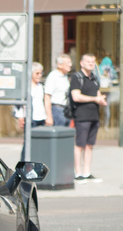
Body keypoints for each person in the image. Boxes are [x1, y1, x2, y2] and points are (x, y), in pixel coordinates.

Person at [71, 53, 107, 181]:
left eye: (93, 62)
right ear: (81, 63)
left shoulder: (94, 78)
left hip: (94, 116)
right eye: (88, 61)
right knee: (80, 144)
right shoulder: (77, 77)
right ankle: (78, 173)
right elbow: (76, 96)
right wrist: (95, 99)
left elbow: (98, 94)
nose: (91, 64)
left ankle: (86, 172)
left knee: (89, 145)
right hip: (81, 116)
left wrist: (101, 100)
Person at [15, 62, 51, 160]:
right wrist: (20, 117)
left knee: (40, 142)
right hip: (30, 118)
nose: (39, 76)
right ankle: (24, 163)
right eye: (37, 73)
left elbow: (45, 101)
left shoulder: (41, 86)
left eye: (41, 73)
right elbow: (19, 104)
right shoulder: (25, 87)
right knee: (28, 142)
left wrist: (48, 116)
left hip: (40, 116)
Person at [43, 54, 72, 127]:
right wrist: (49, 116)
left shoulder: (65, 76)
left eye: (70, 62)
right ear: (59, 65)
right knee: (59, 134)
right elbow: (47, 97)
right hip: (56, 109)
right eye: (67, 63)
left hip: (66, 109)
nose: (70, 65)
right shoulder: (53, 76)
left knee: (65, 135)